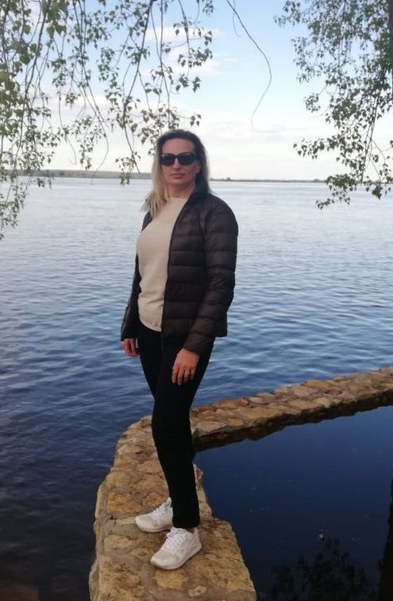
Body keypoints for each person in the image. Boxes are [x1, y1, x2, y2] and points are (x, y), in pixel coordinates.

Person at [121, 128, 238, 570]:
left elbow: (220, 284)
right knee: (173, 423)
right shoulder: (155, 209)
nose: (176, 165)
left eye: (185, 158)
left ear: (198, 164)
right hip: (150, 331)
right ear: (159, 164)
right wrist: (130, 324)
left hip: (185, 337)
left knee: (165, 425)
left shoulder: (214, 213)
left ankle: (187, 528)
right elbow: (142, 274)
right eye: (167, 158)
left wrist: (193, 346)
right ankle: (178, 499)